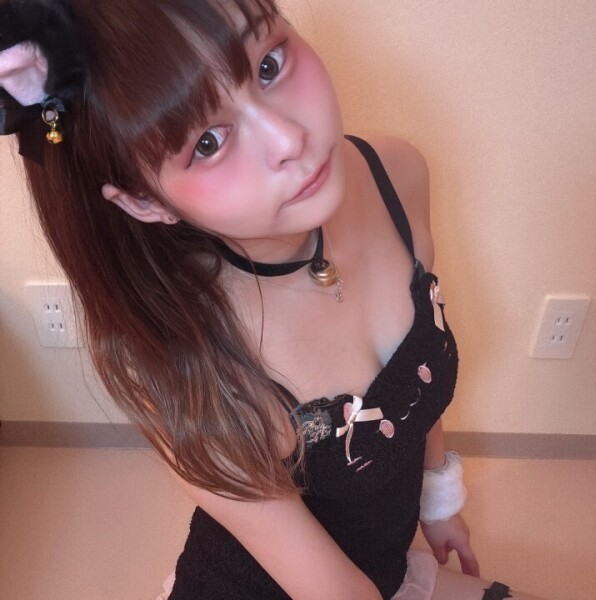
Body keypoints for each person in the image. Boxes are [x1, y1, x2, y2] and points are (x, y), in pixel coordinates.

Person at [0, 1, 545, 599]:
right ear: (145, 203)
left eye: (268, 66)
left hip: (382, 566)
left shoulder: (395, 172)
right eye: (207, 142)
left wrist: (438, 499)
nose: (291, 138)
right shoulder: (188, 358)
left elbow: (417, 367)